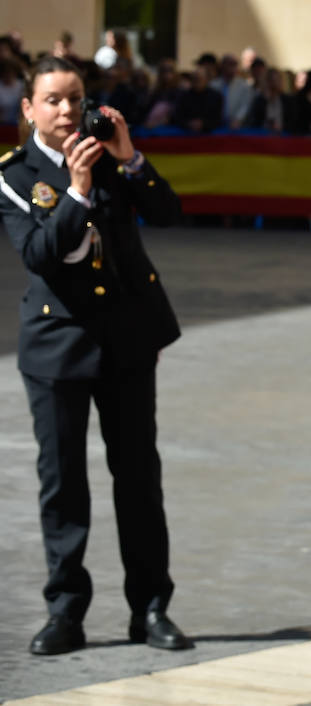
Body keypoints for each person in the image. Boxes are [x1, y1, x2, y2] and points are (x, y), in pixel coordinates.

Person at [5, 55, 189, 656]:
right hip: (58, 346)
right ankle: (66, 611)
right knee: (63, 485)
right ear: (28, 108)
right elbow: (38, 253)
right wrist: (77, 193)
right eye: (52, 100)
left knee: (139, 479)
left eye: (75, 98)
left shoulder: (106, 149)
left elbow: (168, 212)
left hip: (127, 341)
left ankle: (152, 607)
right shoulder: (15, 173)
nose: (66, 111)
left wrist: (130, 156)